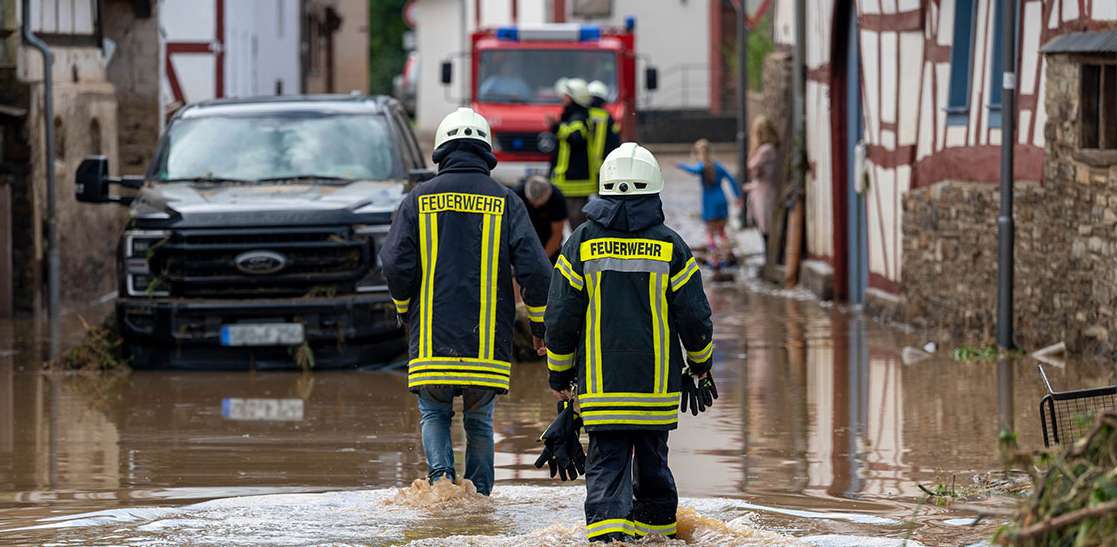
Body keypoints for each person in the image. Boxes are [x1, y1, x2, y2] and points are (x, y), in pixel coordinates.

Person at [544, 143, 716, 542]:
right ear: (654, 192)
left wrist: (560, 375)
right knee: (654, 471)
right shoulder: (671, 245)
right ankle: (658, 535)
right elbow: (695, 317)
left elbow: (560, 319)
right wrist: (701, 364)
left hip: (601, 393)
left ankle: (608, 537)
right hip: (656, 392)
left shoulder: (580, 244)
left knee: (606, 472)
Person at [379, 107, 553, 496]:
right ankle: (479, 500)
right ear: (486, 151)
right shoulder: (507, 201)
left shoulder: (417, 199)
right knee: (479, 420)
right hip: (486, 342)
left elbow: (393, 262)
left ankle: (440, 490)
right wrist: (541, 327)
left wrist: (404, 308)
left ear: (441, 150)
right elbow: (538, 274)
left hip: (431, 339)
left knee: (433, 412)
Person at [676, 139, 742, 265]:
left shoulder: (702, 166)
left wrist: (680, 165)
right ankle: (728, 254)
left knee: (710, 233)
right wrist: (737, 196)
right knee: (722, 232)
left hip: (710, 203)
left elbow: (693, 170)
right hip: (722, 200)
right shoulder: (718, 166)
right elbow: (731, 179)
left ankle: (715, 259)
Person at [549, 78, 594, 229]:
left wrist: (556, 128)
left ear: (575, 98)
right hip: (567, 180)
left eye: (566, 96)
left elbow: (575, 138)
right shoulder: (571, 117)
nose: (563, 99)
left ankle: (579, 251)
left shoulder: (579, 119)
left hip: (574, 183)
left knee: (576, 223)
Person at [745, 116, 782, 249]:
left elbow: (752, 166)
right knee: (764, 224)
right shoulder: (772, 148)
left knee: (766, 226)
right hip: (763, 190)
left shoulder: (766, 150)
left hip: (765, 192)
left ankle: (769, 258)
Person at [514, 175, 568, 263]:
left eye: (540, 203)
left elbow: (557, 234)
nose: (536, 206)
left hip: (547, 238)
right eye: (532, 202)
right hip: (523, 237)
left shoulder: (557, 198)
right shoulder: (516, 196)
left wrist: (542, 260)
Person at [586, 80, 621, 186]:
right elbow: (615, 141)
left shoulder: (582, 115)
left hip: (583, 165)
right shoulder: (608, 117)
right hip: (603, 164)